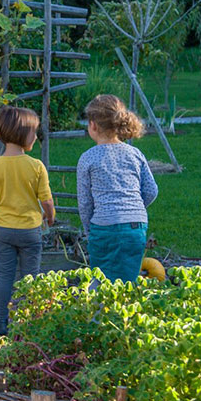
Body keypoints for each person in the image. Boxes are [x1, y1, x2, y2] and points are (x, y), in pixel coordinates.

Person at [0, 106, 55, 333]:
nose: (35, 136)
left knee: (4, 275)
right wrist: (50, 217)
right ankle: (29, 321)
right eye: (33, 132)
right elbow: (47, 201)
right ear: (22, 133)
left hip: (4, 231)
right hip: (30, 231)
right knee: (31, 276)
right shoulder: (36, 166)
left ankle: (1, 321)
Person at [76, 94, 158, 282]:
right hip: (135, 227)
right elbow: (151, 190)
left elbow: (85, 203)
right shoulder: (135, 154)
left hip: (104, 227)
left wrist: (90, 232)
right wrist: (131, 209)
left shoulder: (88, 158)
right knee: (129, 281)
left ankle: (102, 311)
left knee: (102, 283)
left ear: (93, 125)